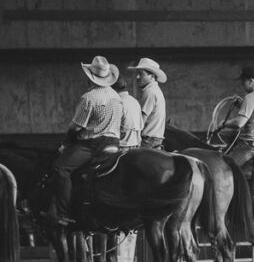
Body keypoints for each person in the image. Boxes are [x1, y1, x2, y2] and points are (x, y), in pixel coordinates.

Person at [43, 56, 122, 227]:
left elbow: (76, 127)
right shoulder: (116, 97)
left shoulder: (89, 97)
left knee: (61, 168)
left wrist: (66, 142)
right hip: (115, 143)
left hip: (92, 144)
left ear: (90, 77)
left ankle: (63, 213)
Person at [222, 67, 254, 170]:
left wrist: (224, 123)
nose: (242, 85)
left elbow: (239, 123)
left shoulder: (250, 97)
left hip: (250, 146)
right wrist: (242, 105)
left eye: (243, 82)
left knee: (224, 169)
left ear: (250, 81)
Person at [129, 57, 167, 150]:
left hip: (148, 141)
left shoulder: (150, 92)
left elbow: (140, 122)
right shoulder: (156, 90)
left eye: (141, 74)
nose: (137, 77)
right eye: (137, 74)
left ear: (152, 76)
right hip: (156, 140)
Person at [113, 79, 144, 151]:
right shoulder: (135, 101)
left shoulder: (117, 102)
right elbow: (141, 126)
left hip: (122, 147)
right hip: (136, 146)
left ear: (113, 88)